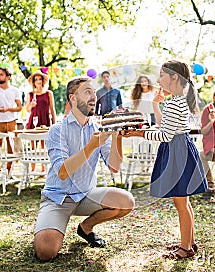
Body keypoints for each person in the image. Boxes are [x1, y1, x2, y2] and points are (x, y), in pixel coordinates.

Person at [33, 76, 135, 261]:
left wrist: (116, 136)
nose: (94, 97)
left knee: (126, 201)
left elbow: (114, 167)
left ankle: (85, 227)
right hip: (58, 198)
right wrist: (91, 146)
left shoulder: (98, 128)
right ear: (73, 98)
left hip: (86, 195)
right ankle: (50, 224)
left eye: (94, 92)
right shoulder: (57, 130)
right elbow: (63, 172)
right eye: (87, 92)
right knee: (45, 252)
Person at [121, 60, 207, 259]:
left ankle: (185, 249)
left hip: (177, 152)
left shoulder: (175, 103)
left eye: (161, 76)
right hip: (181, 148)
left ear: (174, 77)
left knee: (181, 203)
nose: (158, 80)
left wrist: (137, 134)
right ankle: (189, 242)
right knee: (183, 202)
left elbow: (164, 135)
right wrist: (155, 104)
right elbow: (164, 125)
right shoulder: (178, 101)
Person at [25, 70, 56, 174]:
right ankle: (33, 170)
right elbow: (27, 109)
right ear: (33, 82)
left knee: (44, 146)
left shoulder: (48, 93)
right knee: (33, 146)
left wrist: (54, 124)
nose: (38, 81)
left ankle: (43, 170)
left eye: (39, 79)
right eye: (36, 79)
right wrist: (31, 105)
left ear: (43, 81)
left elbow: (52, 109)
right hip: (33, 120)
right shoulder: (30, 94)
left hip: (45, 120)